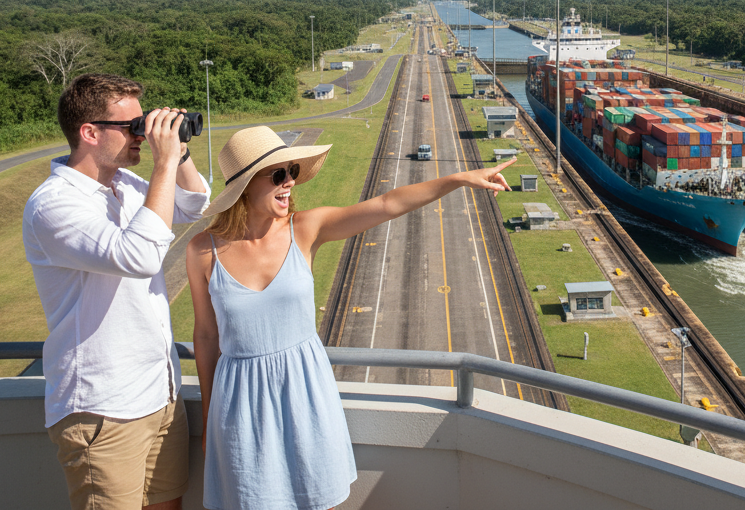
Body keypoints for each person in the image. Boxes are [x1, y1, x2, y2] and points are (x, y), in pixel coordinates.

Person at [186, 125, 514, 510]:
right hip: (239, 401)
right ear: (244, 186)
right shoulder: (202, 250)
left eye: (291, 171)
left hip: (304, 391)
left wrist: (458, 179)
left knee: (315, 497)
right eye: (278, 174)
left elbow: (388, 203)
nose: (290, 181)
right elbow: (207, 338)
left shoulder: (306, 229)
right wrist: (210, 414)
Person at [24, 73, 211, 510]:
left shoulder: (124, 185)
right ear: (89, 133)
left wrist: (178, 151)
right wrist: (163, 164)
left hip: (158, 394)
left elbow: (192, 203)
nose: (141, 136)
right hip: (102, 406)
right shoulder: (53, 205)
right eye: (131, 127)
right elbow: (140, 256)